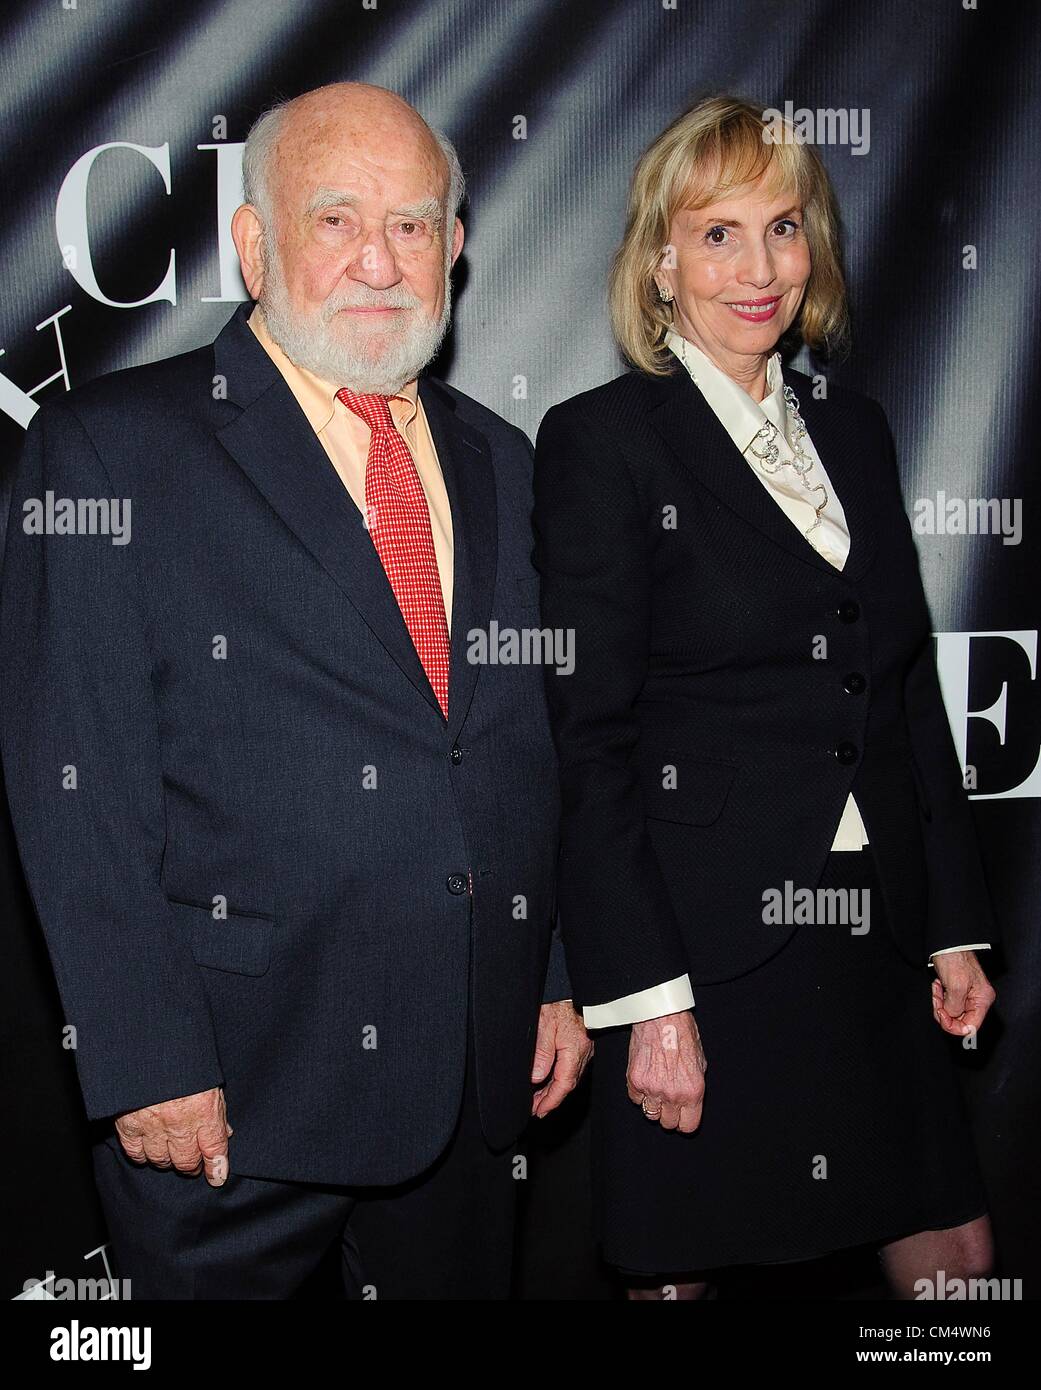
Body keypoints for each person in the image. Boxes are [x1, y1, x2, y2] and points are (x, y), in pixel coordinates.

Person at [0, 81, 590, 1300]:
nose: (380, 260)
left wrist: (548, 975)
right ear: (254, 244)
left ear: (457, 250)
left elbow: (524, 744)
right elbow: (77, 781)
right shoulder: (110, 451)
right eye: (335, 220)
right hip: (228, 1095)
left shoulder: (504, 459)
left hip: (471, 1079)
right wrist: (144, 1055)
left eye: (415, 225)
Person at [532, 95, 996, 1299]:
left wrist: (948, 919)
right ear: (661, 262)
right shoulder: (603, 442)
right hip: (708, 951)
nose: (759, 267)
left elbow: (898, 690)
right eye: (719, 232)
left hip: (876, 938)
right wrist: (647, 1000)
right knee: (682, 1270)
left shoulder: (859, 431)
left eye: (784, 228)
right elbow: (590, 736)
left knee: (953, 1251)